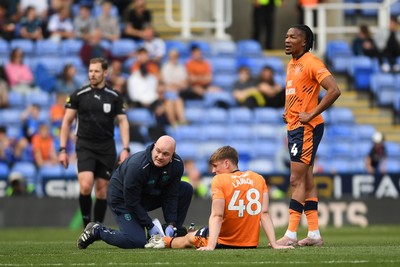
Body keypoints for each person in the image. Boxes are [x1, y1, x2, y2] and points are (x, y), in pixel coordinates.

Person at [145, 145, 293, 250]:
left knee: (188, 239)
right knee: (194, 233)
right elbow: (264, 214)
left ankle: (163, 240)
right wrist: (274, 244)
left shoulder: (220, 180)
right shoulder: (258, 178)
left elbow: (217, 215)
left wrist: (210, 246)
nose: (213, 170)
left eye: (215, 166)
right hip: (250, 243)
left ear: (227, 163)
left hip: (223, 241)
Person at [277, 24, 341, 247]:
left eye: (292, 36)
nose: (287, 39)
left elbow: (334, 90)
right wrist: (290, 112)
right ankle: (314, 234)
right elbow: (298, 94)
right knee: (307, 179)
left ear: (303, 42)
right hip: (296, 126)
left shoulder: (312, 63)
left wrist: (310, 113)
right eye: (286, 36)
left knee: (296, 179)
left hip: (307, 128)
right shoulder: (293, 63)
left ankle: (291, 234)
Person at [76, 135, 193, 249]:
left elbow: (171, 196)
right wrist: (150, 225)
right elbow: (131, 201)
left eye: (166, 154)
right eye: (158, 151)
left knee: (185, 189)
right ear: (154, 146)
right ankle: (97, 230)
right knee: (136, 241)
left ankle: (171, 234)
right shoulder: (137, 166)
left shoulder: (177, 165)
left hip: (147, 194)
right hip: (122, 199)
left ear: (172, 156)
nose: (160, 156)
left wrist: (171, 223)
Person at [58, 57, 131, 228]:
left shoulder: (114, 96)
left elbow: (123, 122)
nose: (92, 74)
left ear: (105, 73)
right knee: (85, 185)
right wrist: (62, 149)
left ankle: (96, 227)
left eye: (96, 71)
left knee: (101, 190)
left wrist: (126, 148)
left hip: (106, 147)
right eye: (90, 71)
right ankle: (86, 226)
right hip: (85, 145)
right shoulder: (78, 95)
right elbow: (66, 122)